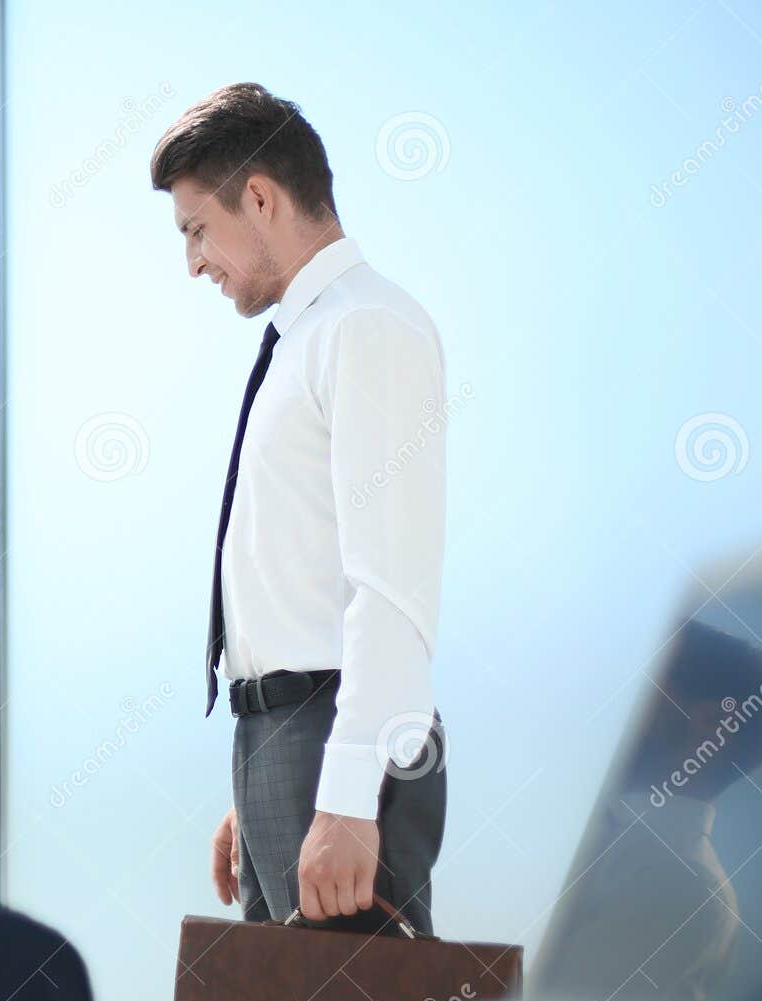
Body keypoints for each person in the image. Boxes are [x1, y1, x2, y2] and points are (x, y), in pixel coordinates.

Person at [151, 84, 448, 931]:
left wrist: (347, 796)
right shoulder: (306, 337)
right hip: (291, 742)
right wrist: (262, 784)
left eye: (196, 229)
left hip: (336, 737)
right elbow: (296, 577)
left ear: (259, 197)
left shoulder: (367, 329)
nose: (194, 262)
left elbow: (391, 584)